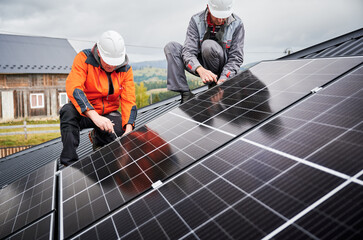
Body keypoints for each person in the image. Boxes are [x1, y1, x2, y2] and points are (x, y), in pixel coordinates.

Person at [59, 30, 137, 166]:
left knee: (120, 135)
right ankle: (69, 163)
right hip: (85, 112)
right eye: (108, 62)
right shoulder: (84, 59)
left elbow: (128, 99)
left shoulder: (125, 69)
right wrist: (94, 116)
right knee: (67, 111)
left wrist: (129, 130)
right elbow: (74, 88)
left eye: (115, 63)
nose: (111, 66)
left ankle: (98, 138)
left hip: (108, 114)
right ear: (99, 53)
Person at [164, 0, 245, 103]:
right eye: (217, 16)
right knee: (171, 48)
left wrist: (224, 79)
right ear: (209, 8)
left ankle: (214, 84)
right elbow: (188, 51)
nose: (220, 20)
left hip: (223, 69)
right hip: (202, 66)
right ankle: (185, 94)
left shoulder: (237, 24)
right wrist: (200, 69)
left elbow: (236, 58)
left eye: (223, 16)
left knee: (208, 45)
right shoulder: (196, 20)